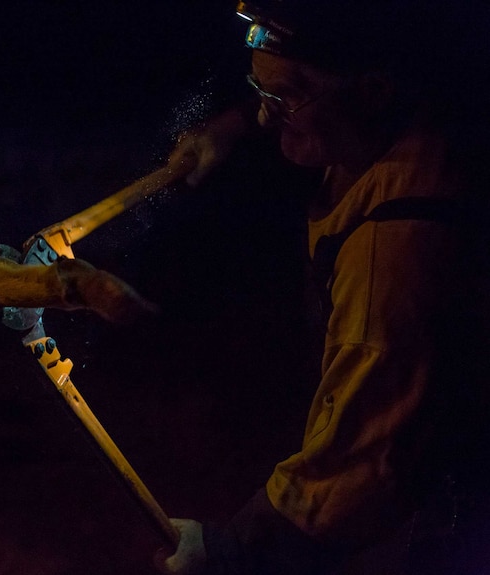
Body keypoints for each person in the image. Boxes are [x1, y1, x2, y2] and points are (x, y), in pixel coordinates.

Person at [154, 1, 490, 573]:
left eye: (282, 101)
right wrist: (231, 127)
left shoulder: (392, 261)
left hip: (435, 519)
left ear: (373, 92)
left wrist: (226, 550)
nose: (265, 118)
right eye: (258, 93)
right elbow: (292, 108)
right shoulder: (396, 125)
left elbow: (350, 480)